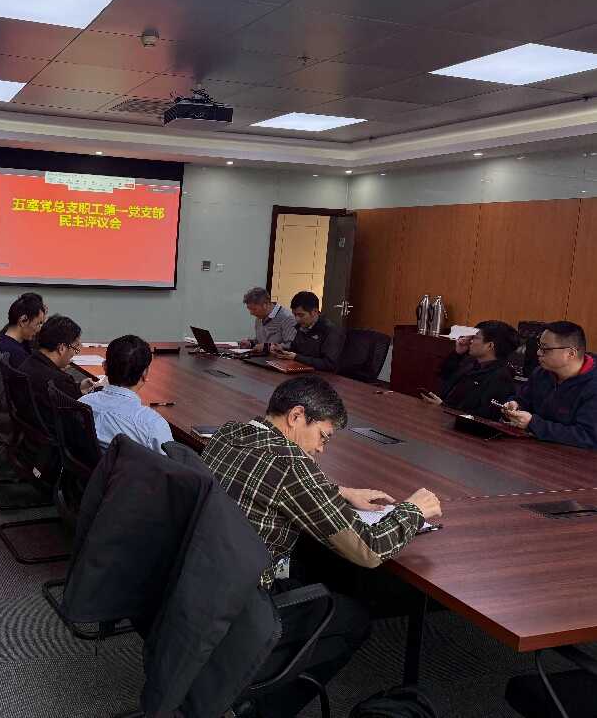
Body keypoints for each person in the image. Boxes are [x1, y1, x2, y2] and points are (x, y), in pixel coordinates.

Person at [200, 375, 441, 717]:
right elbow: (368, 548)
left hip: (199, 590)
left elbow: (266, 479)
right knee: (353, 619)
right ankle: (256, 711)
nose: (321, 449)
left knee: (309, 576)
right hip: (239, 610)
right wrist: (413, 510)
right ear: (297, 416)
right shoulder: (291, 464)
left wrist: (338, 492)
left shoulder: (229, 433)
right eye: (323, 436)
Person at [502, 321, 597, 448]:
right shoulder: (541, 373)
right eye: (539, 346)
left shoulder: (592, 385)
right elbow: (522, 400)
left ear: (571, 353)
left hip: (571, 457)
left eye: (545, 349)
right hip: (532, 448)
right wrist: (514, 405)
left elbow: (588, 436)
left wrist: (533, 424)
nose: (538, 352)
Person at [79, 335, 173, 453]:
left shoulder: (81, 403)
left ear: (105, 367)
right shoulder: (153, 424)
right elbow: (170, 462)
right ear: (145, 373)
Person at [421, 320, 518, 419]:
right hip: (443, 419)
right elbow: (444, 376)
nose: (470, 341)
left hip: (459, 425)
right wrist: (457, 354)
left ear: (490, 346)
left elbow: (482, 417)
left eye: (475, 338)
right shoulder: (472, 363)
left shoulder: (501, 377)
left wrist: (443, 407)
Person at [18, 314, 96, 426]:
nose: (73, 354)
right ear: (62, 348)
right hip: (56, 432)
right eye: (75, 348)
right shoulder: (57, 380)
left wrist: (78, 388)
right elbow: (79, 415)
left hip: (32, 428)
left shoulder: (29, 362)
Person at [270, 291, 345, 372]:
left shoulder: (331, 331)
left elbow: (329, 364)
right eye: (294, 315)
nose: (297, 319)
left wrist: (296, 357)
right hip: (301, 370)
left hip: (322, 375)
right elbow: (296, 351)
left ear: (314, 312)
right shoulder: (301, 327)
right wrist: (282, 350)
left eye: (301, 315)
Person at [0, 292, 46, 367]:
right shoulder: (16, 355)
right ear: (23, 321)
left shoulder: (1, 340)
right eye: (38, 324)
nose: (38, 329)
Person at [238, 287, 297, 354]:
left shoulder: (287, 318)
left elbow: (291, 346)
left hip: (278, 359)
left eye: (254, 309)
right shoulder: (260, 318)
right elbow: (260, 341)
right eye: (249, 309)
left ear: (265, 305)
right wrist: (250, 343)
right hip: (262, 357)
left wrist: (267, 347)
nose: (251, 313)